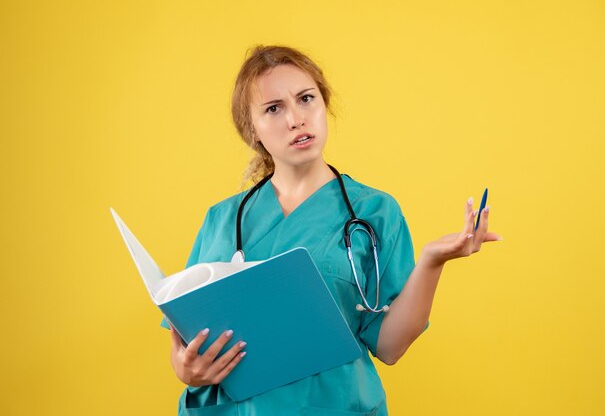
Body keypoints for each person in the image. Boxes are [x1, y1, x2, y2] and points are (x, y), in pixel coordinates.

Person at [165, 45, 502, 415]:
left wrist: (432, 262)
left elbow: (390, 347)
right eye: (273, 108)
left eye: (306, 99)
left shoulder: (373, 212)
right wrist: (186, 370)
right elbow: (184, 336)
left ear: (324, 106)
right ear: (252, 129)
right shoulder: (222, 219)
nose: (296, 119)